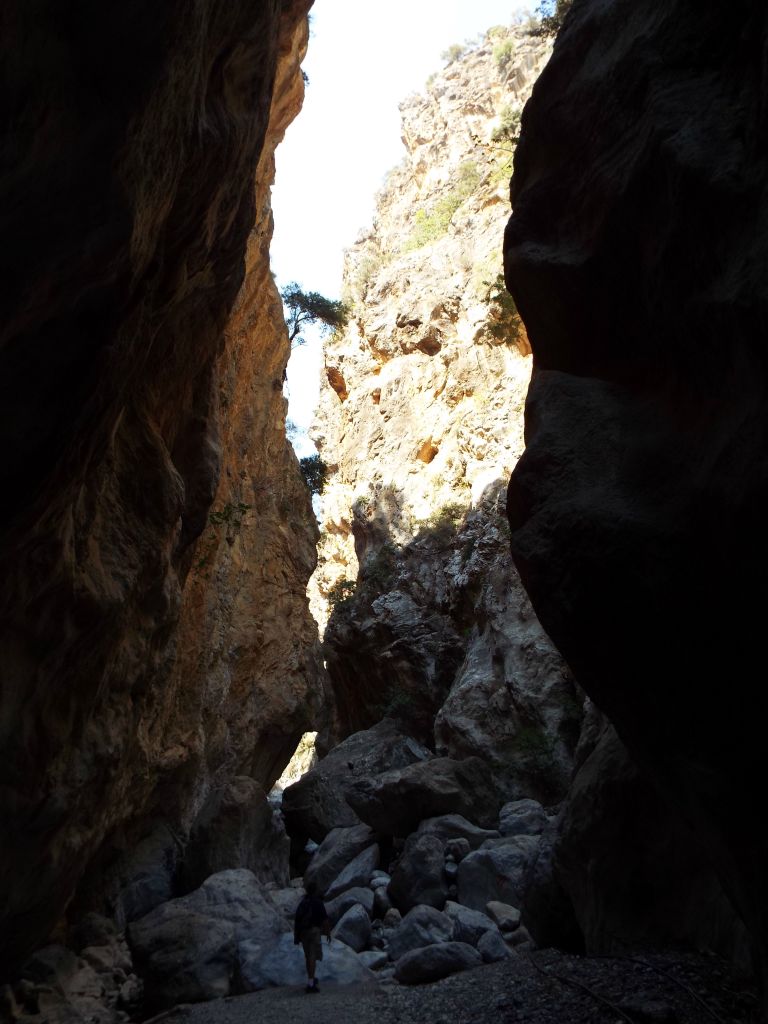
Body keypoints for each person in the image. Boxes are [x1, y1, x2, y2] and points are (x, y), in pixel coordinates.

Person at [293, 881, 331, 993]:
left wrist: (296, 937)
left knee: (308, 956)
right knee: (313, 956)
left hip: (303, 933)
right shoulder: (317, 902)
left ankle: (311, 979)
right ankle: (311, 984)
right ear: (315, 890)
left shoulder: (303, 903)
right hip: (314, 931)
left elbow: (297, 920)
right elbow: (325, 920)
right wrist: (328, 933)